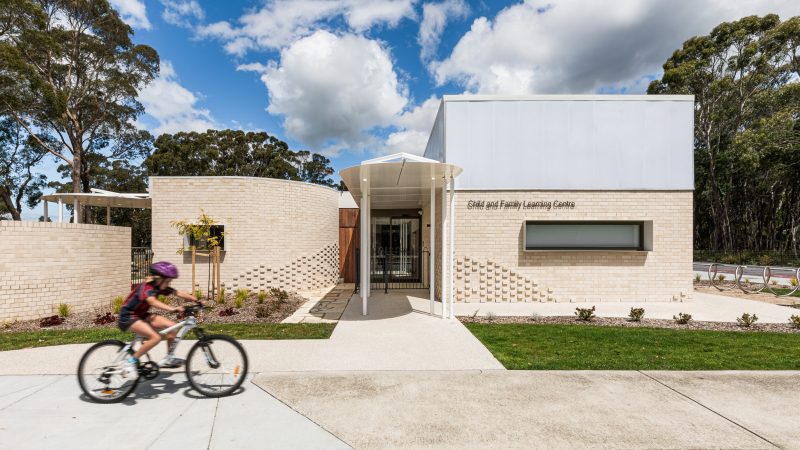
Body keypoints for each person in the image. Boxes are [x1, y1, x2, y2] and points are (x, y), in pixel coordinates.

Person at [118, 261, 199, 377]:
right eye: (168, 281)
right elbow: (151, 301)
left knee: (172, 327)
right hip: (128, 316)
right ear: (159, 278)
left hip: (141, 314)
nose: (169, 283)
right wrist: (172, 309)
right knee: (155, 337)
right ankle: (129, 362)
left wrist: (196, 300)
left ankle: (169, 357)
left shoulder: (158, 286)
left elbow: (178, 293)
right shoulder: (146, 287)